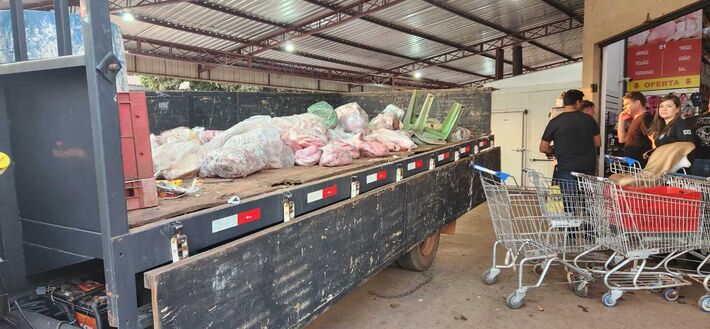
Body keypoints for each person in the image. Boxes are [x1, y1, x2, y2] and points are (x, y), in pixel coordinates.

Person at [540, 89, 601, 180]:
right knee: (587, 194)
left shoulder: (555, 122)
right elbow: (598, 143)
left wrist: (551, 151)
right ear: (577, 102)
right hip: (588, 168)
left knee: (569, 194)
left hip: (566, 169)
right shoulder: (589, 120)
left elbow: (543, 148)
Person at [618, 92, 653, 166]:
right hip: (632, 165)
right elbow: (622, 139)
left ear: (637, 102)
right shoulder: (636, 120)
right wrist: (621, 119)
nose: (624, 107)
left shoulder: (645, 118)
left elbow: (654, 139)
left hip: (641, 166)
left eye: (627, 104)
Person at [691, 99, 710, 176]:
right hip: (699, 159)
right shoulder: (696, 119)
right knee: (696, 186)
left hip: (698, 159)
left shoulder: (696, 119)